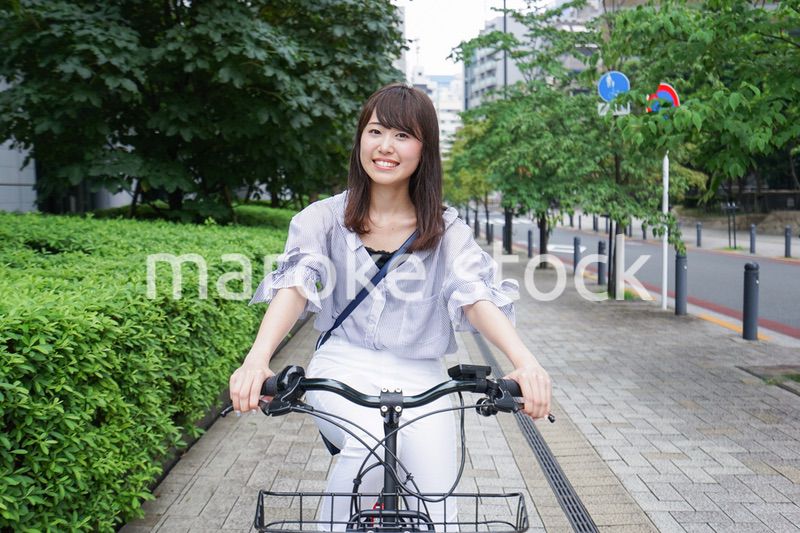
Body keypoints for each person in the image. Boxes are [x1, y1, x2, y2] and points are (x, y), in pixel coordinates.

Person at [228, 83, 552, 528]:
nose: (385, 146)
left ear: (424, 148)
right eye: (376, 131)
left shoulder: (447, 230)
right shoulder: (323, 218)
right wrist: (256, 359)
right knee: (367, 445)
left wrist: (525, 363)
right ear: (361, 138)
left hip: (421, 372)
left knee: (437, 505)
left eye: (403, 135)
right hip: (342, 365)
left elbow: (474, 294)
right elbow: (296, 284)